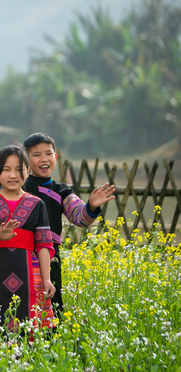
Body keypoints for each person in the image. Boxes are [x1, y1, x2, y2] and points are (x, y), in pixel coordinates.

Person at [0, 145, 56, 333]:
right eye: (6, 169)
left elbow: (44, 244)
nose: (13, 175)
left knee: (30, 326)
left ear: (27, 172)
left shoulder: (38, 204)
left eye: (18, 169)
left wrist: (46, 279)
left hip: (30, 270)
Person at [23, 132, 115, 314]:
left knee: (52, 303)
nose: (44, 159)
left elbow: (80, 217)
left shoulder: (61, 191)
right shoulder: (19, 185)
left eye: (48, 154)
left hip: (50, 256)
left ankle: (51, 340)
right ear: (25, 159)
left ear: (55, 157)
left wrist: (91, 206)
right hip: (20, 253)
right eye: (36, 154)